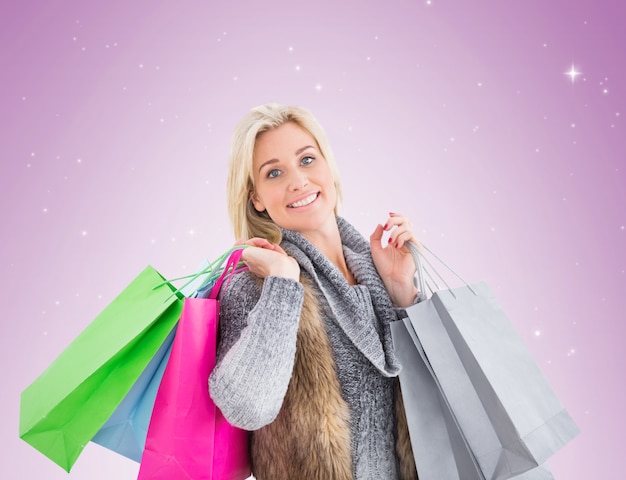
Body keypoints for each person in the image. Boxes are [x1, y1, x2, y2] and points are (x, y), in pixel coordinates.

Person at [208, 103, 420, 480]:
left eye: (307, 160)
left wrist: (403, 293)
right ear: (256, 197)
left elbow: (435, 403)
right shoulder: (258, 285)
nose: (298, 181)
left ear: (328, 167)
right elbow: (247, 408)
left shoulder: (376, 270)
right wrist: (282, 287)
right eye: (274, 172)